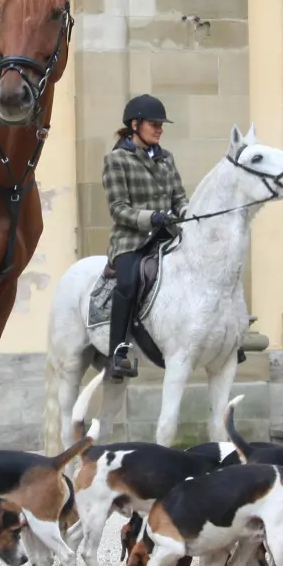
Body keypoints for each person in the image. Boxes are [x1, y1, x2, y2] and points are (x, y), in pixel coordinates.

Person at [101, 94, 188, 381]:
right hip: (131, 240)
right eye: (154, 124)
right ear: (135, 124)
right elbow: (118, 209)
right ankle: (118, 353)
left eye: (161, 124)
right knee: (129, 281)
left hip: (167, 235)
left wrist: (190, 214)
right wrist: (151, 217)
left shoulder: (166, 158)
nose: (160, 129)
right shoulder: (117, 160)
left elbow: (179, 199)